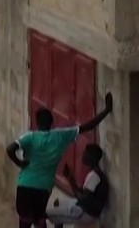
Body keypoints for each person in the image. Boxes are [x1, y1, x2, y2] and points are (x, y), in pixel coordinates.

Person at [7, 92, 113, 228]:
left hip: (25, 184)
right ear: (52, 123)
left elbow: (10, 149)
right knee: (40, 220)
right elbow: (88, 126)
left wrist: (20, 163)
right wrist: (106, 110)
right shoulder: (61, 136)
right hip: (43, 187)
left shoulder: (29, 137)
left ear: (36, 123)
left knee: (25, 221)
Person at [46, 143, 109, 226]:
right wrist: (71, 179)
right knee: (58, 203)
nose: (82, 155)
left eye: (85, 153)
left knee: (47, 214)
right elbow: (83, 193)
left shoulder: (94, 176)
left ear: (90, 157)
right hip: (86, 208)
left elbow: (82, 197)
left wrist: (71, 184)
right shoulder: (95, 173)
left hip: (87, 213)